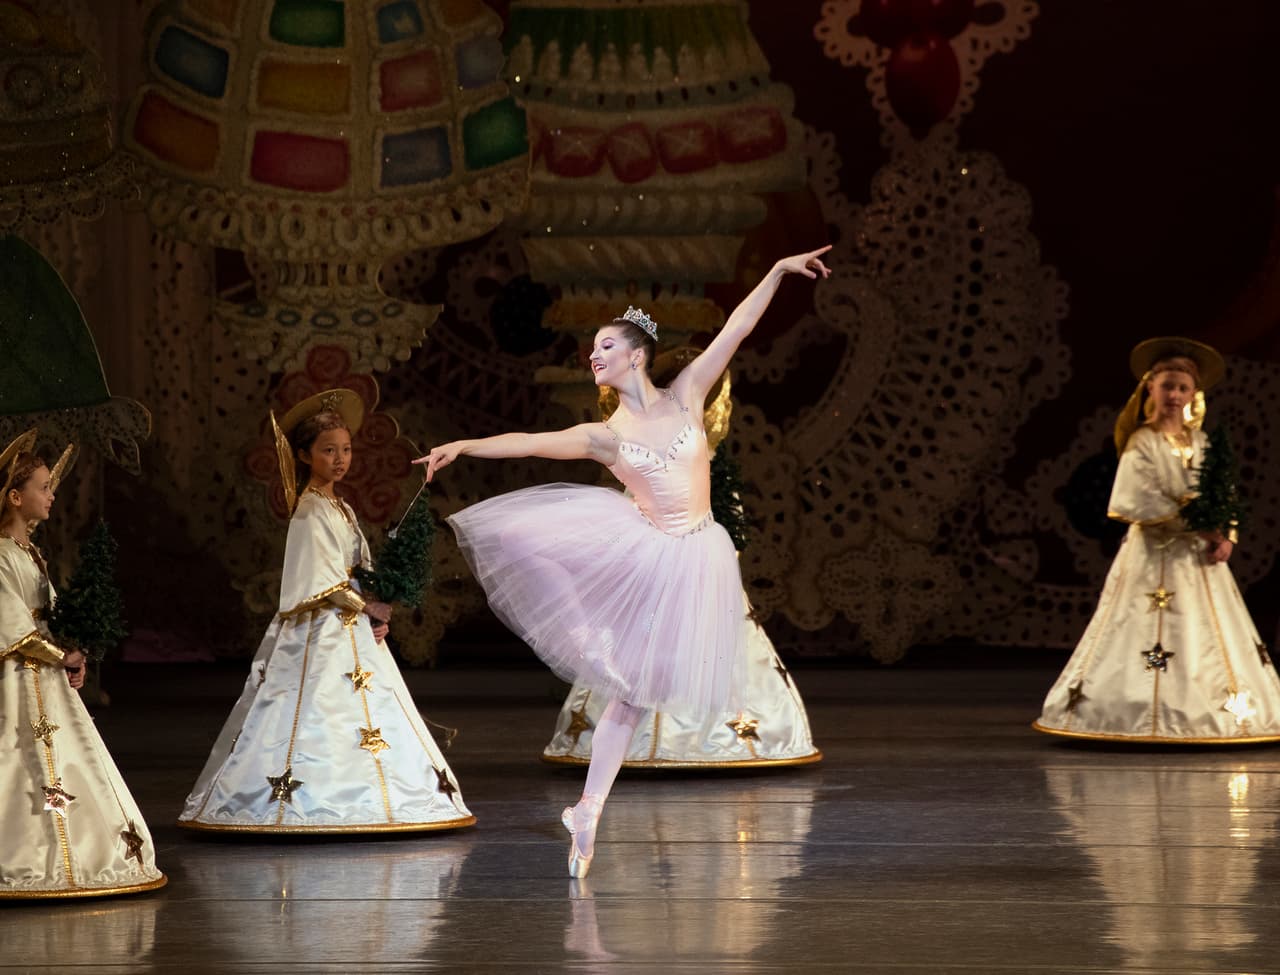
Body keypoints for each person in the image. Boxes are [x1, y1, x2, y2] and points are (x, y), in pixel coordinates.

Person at [419, 247, 832, 875]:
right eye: (592, 349)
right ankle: (589, 787)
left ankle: (586, 812)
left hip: (698, 555)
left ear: (636, 355)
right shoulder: (604, 436)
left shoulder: (690, 392)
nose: (594, 356)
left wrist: (776, 270)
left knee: (636, 699)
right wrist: (465, 445)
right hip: (649, 553)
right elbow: (529, 442)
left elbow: (737, 329)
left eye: (604, 346)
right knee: (604, 652)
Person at [179, 390, 474, 832]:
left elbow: (357, 567)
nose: (340, 459)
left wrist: (379, 603)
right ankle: (304, 801)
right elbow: (321, 580)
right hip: (320, 629)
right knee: (314, 714)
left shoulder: (341, 507)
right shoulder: (309, 512)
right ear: (304, 456)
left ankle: (372, 799)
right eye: (328, 451)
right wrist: (366, 603)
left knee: (367, 714)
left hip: (353, 626)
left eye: (346, 450)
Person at [1034, 338, 1280, 743]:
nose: (1175, 395)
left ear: (1193, 395)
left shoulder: (1202, 443)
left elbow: (1224, 491)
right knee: (1145, 627)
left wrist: (1226, 533)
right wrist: (1195, 521)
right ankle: (1136, 712)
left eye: (1183, 388)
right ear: (1150, 388)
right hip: (1153, 555)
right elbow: (1138, 496)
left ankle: (1198, 708)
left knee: (1202, 634)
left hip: (1198, 560)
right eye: (1168, 385)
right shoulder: (1143, 441)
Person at [0, 429, 166, 897]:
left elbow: (52, 614)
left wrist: (77, 651)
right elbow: (11, 625)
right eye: (44, 487)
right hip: (16, 680)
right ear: (15, 496)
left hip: (47, 680)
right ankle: (25, 859)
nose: (52, 495)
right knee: (17, 764)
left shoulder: (30, 553)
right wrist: (59, 653)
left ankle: (76, 854)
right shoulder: (1, 555)